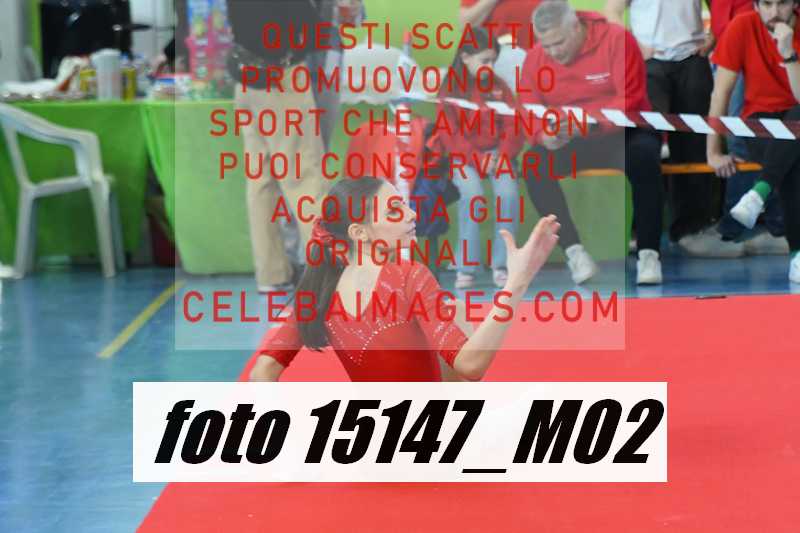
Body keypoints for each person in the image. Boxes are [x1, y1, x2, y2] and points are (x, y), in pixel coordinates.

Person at [249, 177, 561, 382]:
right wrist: (517, 282)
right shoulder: (407, 275)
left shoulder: (318, 286)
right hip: (428, 442)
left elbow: (262, 372)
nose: (411, 214)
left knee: (450, 310)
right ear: (359, 232)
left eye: (404, 204)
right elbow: (470, 365)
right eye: (394, 210)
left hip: (372, 445)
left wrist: (283, 445)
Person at [519, 1, 666, 284]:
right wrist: (543, 135)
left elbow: (631, 98)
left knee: (645, 157)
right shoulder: (536, 58)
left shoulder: (617, 40)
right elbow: (528, 110)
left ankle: (649, 254)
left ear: (577, 27)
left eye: (559, 43)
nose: (553, 52)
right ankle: (574, 252)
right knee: (534, 163)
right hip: (571, 138)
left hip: (624, 130)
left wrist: (590, 123)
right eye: (546, 45)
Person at [605, 0, 746, 258]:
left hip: (692, 61)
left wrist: (713, 37)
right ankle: (638, 231)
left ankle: (691, 230)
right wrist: (633, 46)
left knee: (695, 147)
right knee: (644, 146)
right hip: (649, 64)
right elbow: (612, 11)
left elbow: (721, 5)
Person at [227, 0, 330, 292]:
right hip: (283, 80)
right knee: (304, 178)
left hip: (247, 79)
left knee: (260, 181)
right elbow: (313, 29)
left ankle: (270, 273)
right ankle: (324, 275)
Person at [707, 0, 800, 283]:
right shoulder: (742, 26)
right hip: (758, 122)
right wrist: (713, 152)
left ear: (795, 4)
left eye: (782, 3)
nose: (774, 12)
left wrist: (789, 53)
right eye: (767, 4)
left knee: (797, 126)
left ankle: (758, 193)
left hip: (797, 116)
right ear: (756, 6)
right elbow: (721, 93)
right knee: (793, 158)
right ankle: (798, 255)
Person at [435, 29, 525, 289]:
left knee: (508, 195)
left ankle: (503, 264)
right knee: (473, 195)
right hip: (464, 158)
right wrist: (476, 159)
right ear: (465, 57)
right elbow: (449, 134)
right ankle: (466, 266)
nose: (490, 67)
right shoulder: (449, 89)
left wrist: (502, 155)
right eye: (485, 61)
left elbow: (514, 125)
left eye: (493, 61)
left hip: (498, 155)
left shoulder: (500, 86)